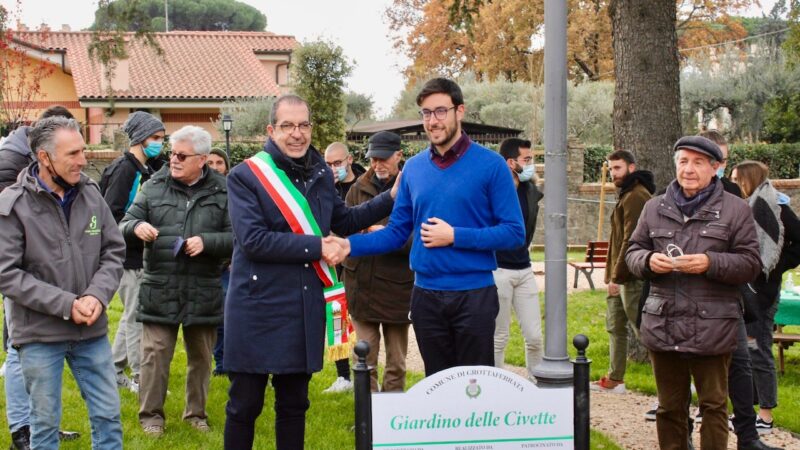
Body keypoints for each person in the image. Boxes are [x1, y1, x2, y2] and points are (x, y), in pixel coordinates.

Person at [223, 94, 398, 449]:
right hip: (256, 306)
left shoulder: (319, 172)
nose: (297, 134)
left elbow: (344, 220)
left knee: (294, 404)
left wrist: (391, 196)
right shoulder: (245, 177)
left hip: (302, 305)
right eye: (287, 126)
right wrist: (319, 246)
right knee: (245, 404)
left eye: (303, 125)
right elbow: (254, 240)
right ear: (271, 130)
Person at [328, 78, 525, 376]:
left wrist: (455, 236)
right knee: (438, 389)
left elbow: (514, 233)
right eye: (426, 113)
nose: (432, 121)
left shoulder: (492, 165)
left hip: (473, 295)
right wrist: (349, 245)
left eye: (440, 111)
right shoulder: (414, 170)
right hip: (425, 296)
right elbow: (396, 232)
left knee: (475, 388)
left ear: (460, 111)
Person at [626, 135, 761, 450]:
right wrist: (647, 260)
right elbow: (632, 252)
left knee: (714, 405)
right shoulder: (653, 207)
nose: (688, 169)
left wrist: (709, 262)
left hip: (713, 325)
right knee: (669, 407)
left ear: (715, 168)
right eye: (683, 161)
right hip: (664, 322)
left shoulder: (736, 209)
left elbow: (751, 264)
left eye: (698, 162)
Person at [0, 116, 126, 449]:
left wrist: (97, 297)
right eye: (72, 154)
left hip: (91, 331)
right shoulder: (12, 205)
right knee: (43, 425)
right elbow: (7, 274)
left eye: (83, 151)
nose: (83, 160)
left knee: (109, 417)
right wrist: (67, 304)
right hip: (40, 334)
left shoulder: (90, 193)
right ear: (44, 157)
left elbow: (114, 251)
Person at [120, 126, 232, 437]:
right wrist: (138, 226)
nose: (174, 160)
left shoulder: (224, 192)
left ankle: (196, 415)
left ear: (203, 160)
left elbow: (239, 237)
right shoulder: (153, 186)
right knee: (155, 355)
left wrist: (208, 242)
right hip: (160, 284)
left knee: (201, 357)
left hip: (204, 287)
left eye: (182, 155)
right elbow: (124, 223)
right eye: (172, 153)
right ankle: (150, 418)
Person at [0, 107, 82, 449]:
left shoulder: (26, 154)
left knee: (38, 351)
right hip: (21, 273)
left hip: (45, 272)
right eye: (71, 150)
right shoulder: (11, 162)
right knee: (19, 348)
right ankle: (23, 429)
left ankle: (41, 426)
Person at [99, 111, 166, 393]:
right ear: (139, 138)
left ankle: (114, 369)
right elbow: (111, 214)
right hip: (128, 255)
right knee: (137, 316)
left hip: (139, 253)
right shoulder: (125, 170)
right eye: (155, 138)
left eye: (162, 138)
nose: (160, 144)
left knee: (132, 313)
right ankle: (141, 376)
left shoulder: (144, 168)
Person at [732, 161, 800, 438]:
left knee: (758, 350)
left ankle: (766, 414)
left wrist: (778, 264)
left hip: (763, 293)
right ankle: (745, 410)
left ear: (749, 179)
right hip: (744, 289)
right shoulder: (745, 206)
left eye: (738, 179)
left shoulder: (775, 207)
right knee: (742, 353)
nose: (734, 183)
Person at [342, 131, 413, 392]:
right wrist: (362, 232)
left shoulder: (413, 188)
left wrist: (386, 236)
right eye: (373, 159)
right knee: (363, 359)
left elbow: (420, 237)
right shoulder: (357, 188)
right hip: (361, 286)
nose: (377, 165)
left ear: (399, 156)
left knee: (396, 362)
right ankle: (367, 420)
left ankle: (392, 419)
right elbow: (344, 228)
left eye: (383, 159)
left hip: (397, 288)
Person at [592, 150, 654, 394]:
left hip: (632, 276)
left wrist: (617, 277)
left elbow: (631, 239)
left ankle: (676, 382)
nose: (613, 173)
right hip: (619, 275)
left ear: (631, 167)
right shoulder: (626, 194)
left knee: (643, 330)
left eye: (617, 168)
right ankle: (615, 378)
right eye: (611, 168)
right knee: (615, 326)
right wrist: (612, 276)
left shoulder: (636, 196)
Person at [493, 138, 544, 379]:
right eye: (527, 160)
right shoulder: (492, 190)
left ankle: (537, 386)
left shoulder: (531, 190)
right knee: (498, 337)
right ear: (511, 163)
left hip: (524, 269)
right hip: (498, 270)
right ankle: (493, 389)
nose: (532, 164)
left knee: (534, 336)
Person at [321, 141, 364, 393]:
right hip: (334, 262)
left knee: (362, 319)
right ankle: (342, 375)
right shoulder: (325, 188)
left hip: (362, 259)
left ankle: (365, 371)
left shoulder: (363, 184)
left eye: (337, 163)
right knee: (335, 314)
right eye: (328, 164)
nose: (332, 168)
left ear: (349, 159)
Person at [206, 147, 230, 376]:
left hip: (229, 265)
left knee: (230, 315)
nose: (214, 167)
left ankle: (232, 361)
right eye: (210, 162)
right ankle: (220, 362)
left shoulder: (235, 190)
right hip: (207, 264)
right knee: (215, 319)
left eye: (219, 163)